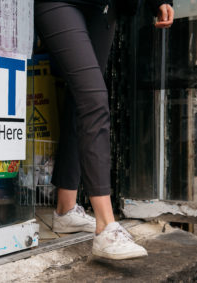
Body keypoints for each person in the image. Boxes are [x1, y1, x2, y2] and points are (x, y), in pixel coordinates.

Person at [34, 0, 174, 260]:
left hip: (104, 7)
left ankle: (65, 209)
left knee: (82, 99)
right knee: (94, 100)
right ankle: (106, 227)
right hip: (59, 2)